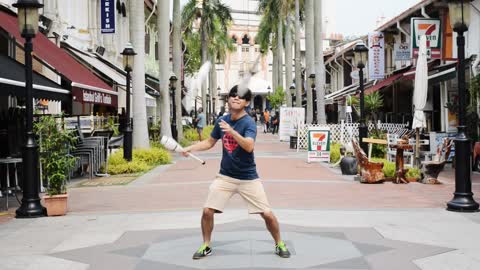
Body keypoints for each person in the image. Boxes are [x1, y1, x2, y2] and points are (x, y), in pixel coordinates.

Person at [183, 85, 291, 260]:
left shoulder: (248, 122)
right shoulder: (222, 120)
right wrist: (190, 148)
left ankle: (279, 243)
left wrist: (232, 131)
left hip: (248, 177)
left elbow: (249, 146)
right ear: (228, 99)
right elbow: (210, 142)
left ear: (247, 102)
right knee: (207, 211)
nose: (235, 98)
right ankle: (206, 245)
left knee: (267, 214)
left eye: (240, 97)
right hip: (225, 176)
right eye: (233, 95)